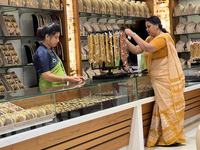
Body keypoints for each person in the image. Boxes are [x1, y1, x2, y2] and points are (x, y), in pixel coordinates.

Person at [125, 16, 186, 147]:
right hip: (157, 80)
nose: (147, 29)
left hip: (166, 80)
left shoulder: (164, 38)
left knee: (169, 108)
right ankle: (164, 137)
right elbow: (137, 50)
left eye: (149, 27)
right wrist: (123, 42)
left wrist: (133, 34)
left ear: (157, 25)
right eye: (146, 27)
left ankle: (174, 138)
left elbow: (148, 48)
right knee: (162, 108)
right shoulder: (149, 39)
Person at [34, 23, 85, 93]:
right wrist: (67, 79)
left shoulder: (50, 50)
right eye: (56, 37)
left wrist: (72, 78)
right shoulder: (43, 52)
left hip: (56, 90)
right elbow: (47, 76)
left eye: (58, 37)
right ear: (47, 37)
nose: (58, 40)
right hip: (49, 91)